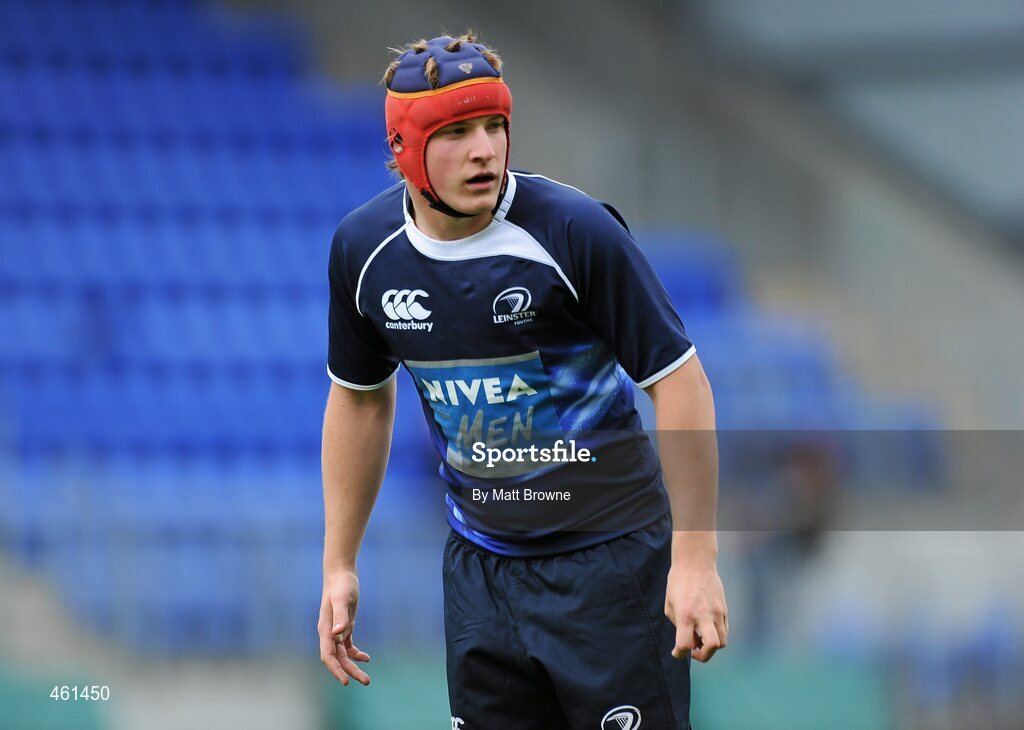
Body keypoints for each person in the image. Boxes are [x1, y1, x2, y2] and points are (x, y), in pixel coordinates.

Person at [318, 33, 728, 729]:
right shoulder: (365, 253)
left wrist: (693, 559)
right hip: (481, 574)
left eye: (494, 126)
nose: (484, 149)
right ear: (402, 150)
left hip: (612, 567)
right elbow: (359, 403)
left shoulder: (575, 231)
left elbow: (679, 382)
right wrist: (339, 564)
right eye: (455, 133)